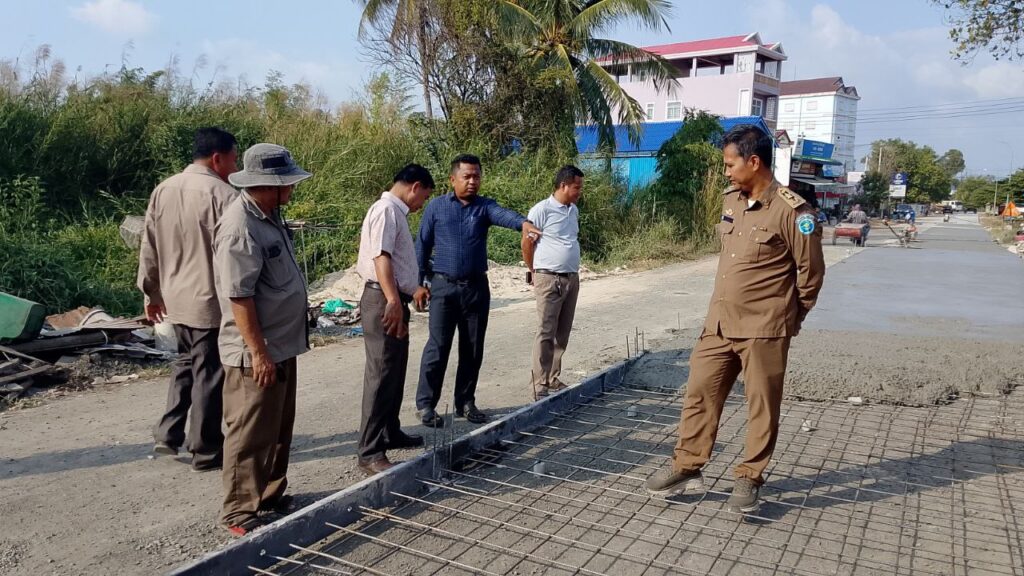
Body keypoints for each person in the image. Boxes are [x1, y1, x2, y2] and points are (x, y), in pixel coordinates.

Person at [645, 125, 826, 513]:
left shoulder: (794, 211)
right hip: (719, 324)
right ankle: (688, 465)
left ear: (754, 161)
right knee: (699, 392)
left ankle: (749, 476)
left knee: (761, 405)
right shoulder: (731, 201)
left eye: (730, 164)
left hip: (764, 327)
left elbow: (810, 274)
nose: (726, 172)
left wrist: (789, 319)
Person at [214, 143, 312, 536]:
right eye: (288, 182)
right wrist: (258, 352)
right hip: (257, 351)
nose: (292, 188)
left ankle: (269, 494)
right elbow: (240, 296)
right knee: (250, 431)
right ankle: (239, 510)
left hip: (281, 345)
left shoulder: (269, 215)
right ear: (268, 185)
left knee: (277, 427)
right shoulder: (240, 226)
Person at [414, 154, 542, 427]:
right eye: (467, 176)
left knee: (472, 348)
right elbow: (422, 245)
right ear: (453, 179)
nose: (472, 181)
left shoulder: (484, 207)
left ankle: (465, 402)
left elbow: (503, 215)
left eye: (477, 176)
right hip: (443, 287)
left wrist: (523, 223)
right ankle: (426, 405)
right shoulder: (436, 207)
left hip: (476, 288)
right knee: (437, 347)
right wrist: (418, 282)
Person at [137, 127, 238, 471]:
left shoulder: (163, 189)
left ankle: (168, 434)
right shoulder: (224, 195)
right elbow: (234, 254)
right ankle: (205, 449)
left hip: (175, 299)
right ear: (217, 158)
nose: (235, 167)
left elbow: (148, 246)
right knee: (209, 372)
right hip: (208, 300)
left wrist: (151, 292)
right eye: (233, 159)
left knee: (185, 363)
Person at [355, 164, 434, 475]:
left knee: (395, 370)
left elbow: (397, 263)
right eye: (423, 197)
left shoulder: (395, 212)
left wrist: (411, 289)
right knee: (381, 373)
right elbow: (381, 257)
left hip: (393, 298)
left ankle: (390, 430)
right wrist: (391, 300)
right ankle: (370, 451)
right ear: (415, 187)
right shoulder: (386, 210)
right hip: (383, 300)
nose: (421, 205)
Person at [522, 165, 583, 401]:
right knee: (546, 331)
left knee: (562, 332)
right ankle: (539, 384)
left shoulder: (573, 210)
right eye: (576, 187)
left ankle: (552, 377)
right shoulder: (541, 210)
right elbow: (527, 243)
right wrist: (533, 271)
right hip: (549, 278)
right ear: (563, 185)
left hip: (571, 278)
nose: (579, 192)